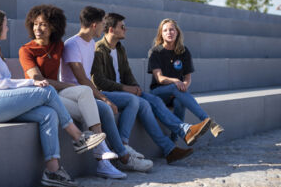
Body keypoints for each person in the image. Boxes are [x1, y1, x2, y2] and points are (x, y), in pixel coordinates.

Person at [0, 8, 106, 187]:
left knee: (48, 114)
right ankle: (78, 136)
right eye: (6, 24)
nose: (7, 28)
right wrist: (31, 83)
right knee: (47, 90)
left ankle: (52, 171)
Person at [19, 4, 126, 179]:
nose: (38, 28)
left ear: (53, 26)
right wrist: (70, 86)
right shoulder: (26, 50)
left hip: (58, 94)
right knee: (86, 98)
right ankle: (102, 155)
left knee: (86, 98)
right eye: (35, 24)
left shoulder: (58, 46)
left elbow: (79, 44)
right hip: (41, 97)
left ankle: (102, 156)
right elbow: (38, 81)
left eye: (43, 24)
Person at [91, 13, 212, 163]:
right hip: (107, 93)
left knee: (152, 100)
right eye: (122, 27)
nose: (125, 29)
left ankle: (172, 146)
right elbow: (98, 82)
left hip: (123, 90)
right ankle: (127, 144)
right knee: (140, 102)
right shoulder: (98, 50)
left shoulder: (120, 49)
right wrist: (126, 88)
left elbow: (127, 73)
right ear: (111, 30)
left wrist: (135, 87)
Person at [60, 6, 154, 173]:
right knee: (105, 108)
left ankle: (121, 148)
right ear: (95, 25)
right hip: (72, 93)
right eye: (103, 23)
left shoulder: (90, 44)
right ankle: (123, 156)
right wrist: (105, 99)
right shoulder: (72, 44)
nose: (104, 27)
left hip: (87, 92)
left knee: (131, 100)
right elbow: (82, 79)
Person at [148, 19, 224, 141]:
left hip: (177, 92)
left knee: (180, 102)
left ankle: (174, 140)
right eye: (165, 30)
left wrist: (184, 85)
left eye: (172, 29)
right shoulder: (155, 52)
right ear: (161, 34)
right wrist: (176, 82)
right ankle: (208, 121)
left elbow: (188, 78)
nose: (169, 32)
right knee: (174, 87)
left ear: (177, 32)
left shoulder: (183, 51)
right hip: (159, 93)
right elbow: (159, 78)